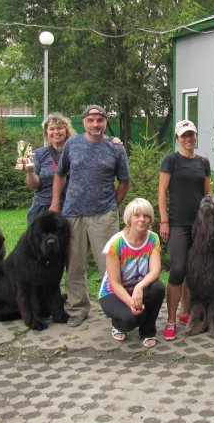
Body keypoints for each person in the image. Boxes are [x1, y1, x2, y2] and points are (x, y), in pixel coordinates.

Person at [50, 105, 131, 328]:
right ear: (83, 122)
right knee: (74, 265)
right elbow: (60, 174)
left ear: (105, 122)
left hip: (103, 216)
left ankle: (116, 309)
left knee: (110, 266)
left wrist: (113, 205)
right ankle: (77, 308)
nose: (95, 124)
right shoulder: (72, 144)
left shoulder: (115, 148)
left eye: (100, 120)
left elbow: (124, 180)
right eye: (90, 120)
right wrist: (56, 202)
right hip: (72, 214)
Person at [158, 119, 211, 341]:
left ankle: (187, 312)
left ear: (196, 137)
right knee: (178, 269)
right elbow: (162, 192)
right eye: (184, 136)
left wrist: (212, 221)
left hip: (200, 224)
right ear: (178, 139)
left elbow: (207, 193)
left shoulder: (203, 162)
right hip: (178, 223)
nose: (189, 139)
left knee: (195, 270)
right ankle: (170, 321)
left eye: (192, 135)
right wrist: (164, 221)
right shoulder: (171, 160)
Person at [99, 197, 165, 348]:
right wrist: (132, 304)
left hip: (137, 289)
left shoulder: (153, 238)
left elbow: (155, 271)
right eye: (137, 215)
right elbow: (114, 283)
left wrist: (139, 287)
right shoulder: (116, 243)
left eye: (146, 216)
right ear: (129, 219)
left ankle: (148, 332)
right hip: (112, 293)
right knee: (132, 319)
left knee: (158, 288)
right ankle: (118, 324)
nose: (142, 219)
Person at [17, 113, 76, 225]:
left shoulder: (75, 151)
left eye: (59, 128)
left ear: (66, 130)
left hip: (70, 208)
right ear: (46, 133)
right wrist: (30, 172)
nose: (55, 132)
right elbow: (34, 186)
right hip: (43, 207)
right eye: (51, 129)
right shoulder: (40, 154)